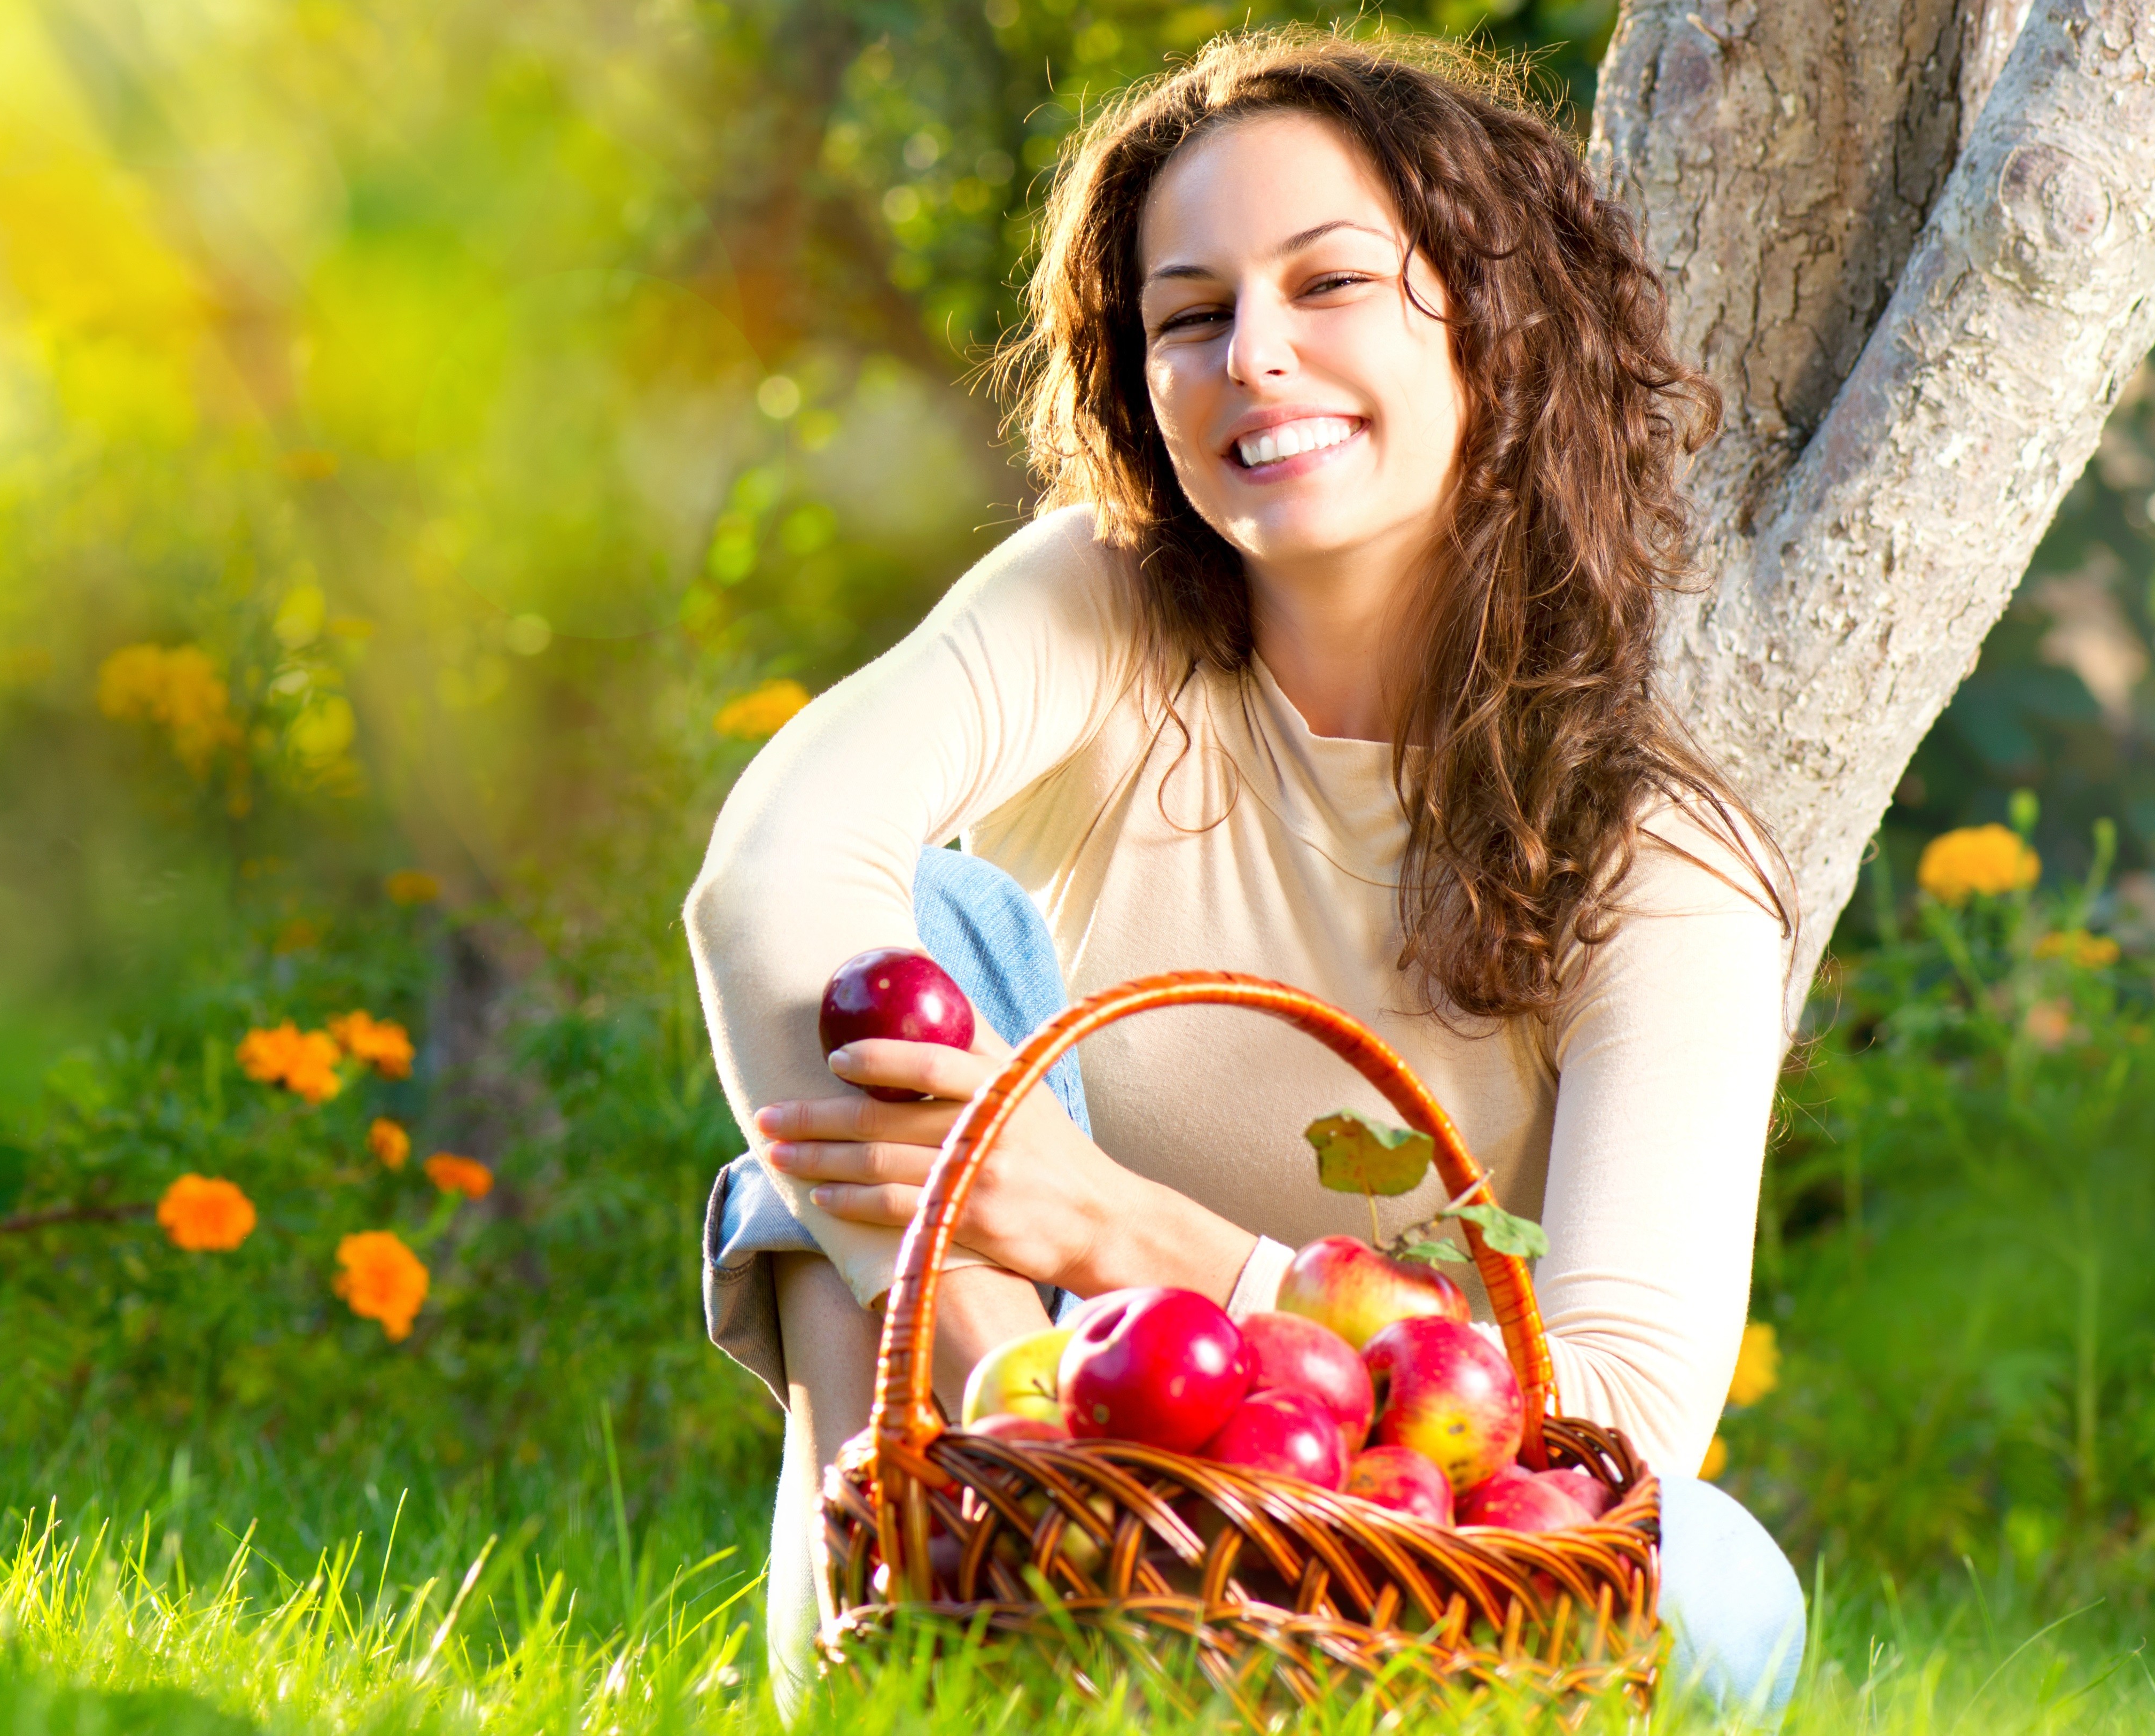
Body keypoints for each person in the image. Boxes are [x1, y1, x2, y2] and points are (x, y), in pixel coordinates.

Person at [687, 27, 1806, 1718]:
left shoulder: (1661, 868)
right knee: (901, 951)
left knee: (1726, 1590)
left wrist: (1129, 1235)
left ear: (1496, 326)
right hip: (1023, 1506)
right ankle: (940, 1619)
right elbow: (767, 878)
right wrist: (1017, 1381)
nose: (1253, 357)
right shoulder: (1099, 605)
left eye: (1329, 283)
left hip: (1389, 1547)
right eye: (1190, 315)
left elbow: (1623, 1412)